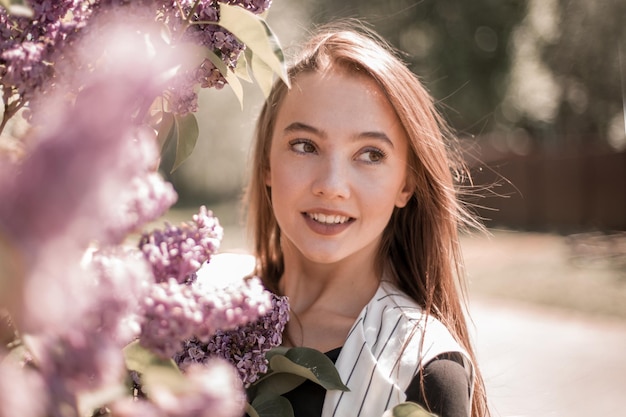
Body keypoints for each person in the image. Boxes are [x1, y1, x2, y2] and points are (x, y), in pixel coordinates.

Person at [244, 21, 489, 417]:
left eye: (371, 154)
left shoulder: (424, 372)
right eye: (304, 146)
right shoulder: (198, 313)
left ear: (405, 184)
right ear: (267, 164)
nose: (332, 185)